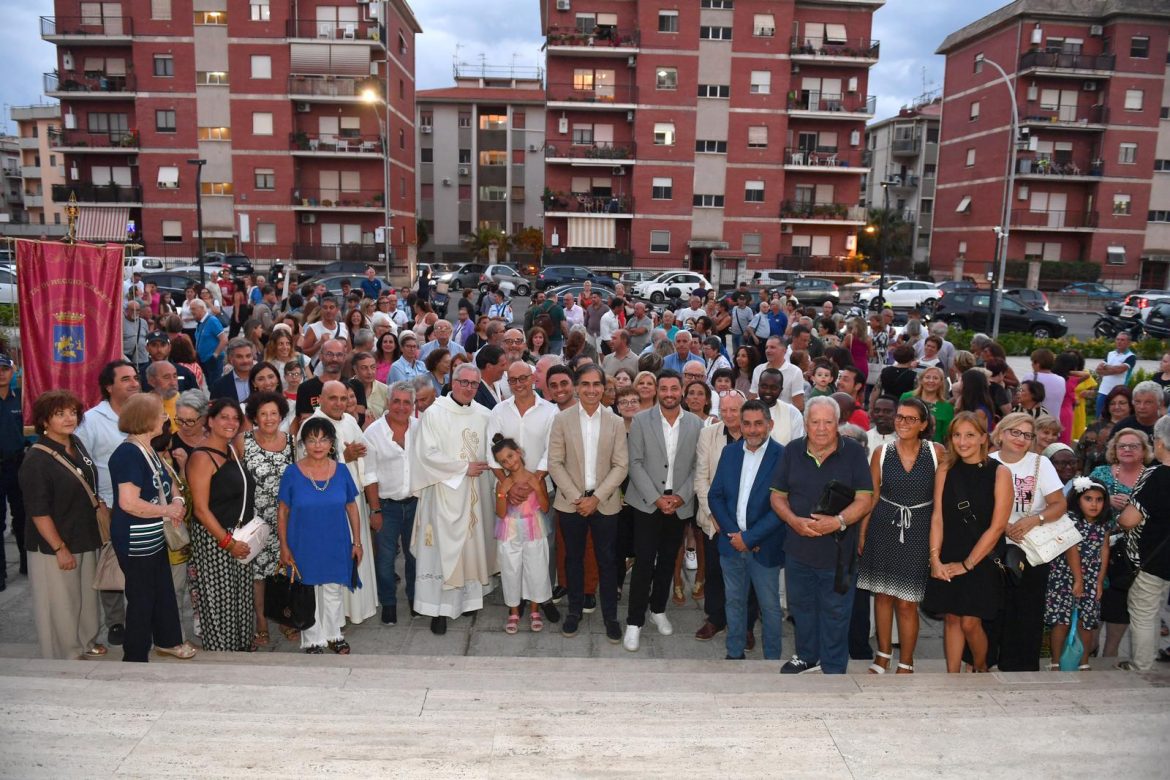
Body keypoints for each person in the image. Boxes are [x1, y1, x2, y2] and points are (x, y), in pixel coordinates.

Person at [770, 396, 874, 674]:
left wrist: (838, 522)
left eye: (828, 422)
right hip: (798, 548)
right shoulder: (792, 450)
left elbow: (865, 499)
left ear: (838, 423)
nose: (821, 428)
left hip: (838, 553)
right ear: (805, 423)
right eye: (815, 422)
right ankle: (806, 656)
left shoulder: (853, 452)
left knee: (836, 612)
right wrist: (792, 520)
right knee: (801, 607)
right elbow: (777, 497)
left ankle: (833, 666)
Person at [857, 398, 943, 674]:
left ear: (924, 424)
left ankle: (906, 661)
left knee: (907, 602)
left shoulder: (936, 452)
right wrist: (862, 532)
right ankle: (882, 655)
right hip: (883, 527)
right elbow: (872, 496)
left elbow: (941, 502)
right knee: (882, 596)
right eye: (900, 417)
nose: (903, 423)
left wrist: (938, 544)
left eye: (911, 418)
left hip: (919, 530)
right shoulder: (881, 452)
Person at [108, 393, 195, 662]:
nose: (166, 418)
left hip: (153, 535)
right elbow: (128, 503)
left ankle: (168, 641)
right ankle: (135, 655)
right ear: (146, 419)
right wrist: (167, 511)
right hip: (136, 539)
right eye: (161, 414)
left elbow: (168, 484)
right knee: (142, 596)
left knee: (162, 589)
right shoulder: (128, 454)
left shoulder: (148, 449)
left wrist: (177, 502)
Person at [923, 411, 1012, 673]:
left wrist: (967, 564)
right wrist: (935, 559)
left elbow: (997, 527)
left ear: (984, 438)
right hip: (949, 550)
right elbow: (937, 517)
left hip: (982, 555)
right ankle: (953, 677)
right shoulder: (945, 469)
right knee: (952, 618)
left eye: (970, 435)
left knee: (970, 622)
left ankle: (980, 667)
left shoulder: (1000, 473)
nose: (963, 442)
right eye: (957, 435)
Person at [18, 390, 105, 658]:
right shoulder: (36, 459)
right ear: (44, 420)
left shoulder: (76, 443)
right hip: (54, 543)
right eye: (59, 414)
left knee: (86, 598)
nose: (69, 418)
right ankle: (65, 653)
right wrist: (59, 548)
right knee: (60, 603)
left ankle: (86, 641)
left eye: (73, 412)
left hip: (84, 535)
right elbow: (38, 511)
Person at [410, 363, 495, 635]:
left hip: (474, 496)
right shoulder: (435, 413)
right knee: (441, 552)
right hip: (442, 495)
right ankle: (439, 610)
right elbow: (426, 454)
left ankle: (468, 600)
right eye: (463, 382)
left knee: (470, 547)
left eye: (474, 384)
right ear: (452, 382)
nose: (469, 388)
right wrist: (462, 468)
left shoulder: (484, 414)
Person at [547, 364, 629, 642]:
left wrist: (596, 498)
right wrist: (577, 498)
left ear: (604, 388)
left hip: (604, 503)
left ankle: (610, 617)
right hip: (571, 503)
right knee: (573, 559)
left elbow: (621, 465)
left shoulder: (615, 421)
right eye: (585, 384)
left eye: (597, 384)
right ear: (576, 387)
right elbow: (555, 462)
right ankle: (574, 612)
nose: (591, 390)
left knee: (607, 561)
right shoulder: (562, 420)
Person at [623, 370, 703, 652]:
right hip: (647, 502)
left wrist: (680, 497)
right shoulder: (641, 420)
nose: (669, 394)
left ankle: (658, 609)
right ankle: (634, 621)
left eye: (674, 388)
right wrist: (657, 499)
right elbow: (634, 462)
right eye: (664, 389)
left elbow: (698, 466)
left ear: (682, 391)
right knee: (644, 561)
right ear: (657, 391)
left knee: (668, 560)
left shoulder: (696, 423)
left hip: (679, 504)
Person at [277, 417, 363, 654]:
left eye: (324, 440)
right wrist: (284, 546)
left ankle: (334, 635)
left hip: (336, 542)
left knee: (334, 590)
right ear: (303, 443)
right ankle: (312, 639)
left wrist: (357, 542)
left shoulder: (342, 471)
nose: (318, 445)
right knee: (307, 593)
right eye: (312, 440)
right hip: (303, 544)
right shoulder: (292, 473)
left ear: (332, 443)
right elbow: (282, 511)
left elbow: (352, 507)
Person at [708, 400, 786, 662]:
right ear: (740, 426)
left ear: (769, 425)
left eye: (758, 424)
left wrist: (751, 538)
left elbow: (782, 506)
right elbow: (715, 495)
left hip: (765, 546)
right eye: (747, 424)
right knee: (734, 602)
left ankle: (772, 660)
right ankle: (734, 653)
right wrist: (735, 536)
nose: (752, 430)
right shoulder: (730, 453)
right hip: (731, 545)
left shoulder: (783, 456)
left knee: (770, 607)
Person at [990, 412, 1068, 671]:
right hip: (993, 546)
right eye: (1015, 432)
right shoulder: (987, 462)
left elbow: (1059, 504)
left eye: (1027, 434)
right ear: (1001, 433)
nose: (1020, 438)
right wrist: (1004, 526)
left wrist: (1036, 519)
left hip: (1032, 547)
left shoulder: (1040, 464)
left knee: (1028, 610)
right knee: (994, 608)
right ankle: (987, 663)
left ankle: (1023, 668)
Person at [485, 360, 560, 622]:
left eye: (523, 378)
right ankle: (515, 602)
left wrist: (531, 482)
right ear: (508, 382)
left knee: (542, 548)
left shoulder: (550, 411)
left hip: (540, 488)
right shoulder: (499, 411)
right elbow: (491, 453)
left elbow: (552, 450)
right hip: (508, 492)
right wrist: (508, 485)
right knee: (512, 551)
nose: (518, 384)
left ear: (533, 379)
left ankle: (542, 599)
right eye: (513, 380)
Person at [301, 381, 378, 624]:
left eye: (343, 398)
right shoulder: (311, 426)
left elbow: (366, 456)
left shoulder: (350, 421)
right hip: (326, 507)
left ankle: (355, 609)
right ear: (320, 399)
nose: (339, 403)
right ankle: (333, 619)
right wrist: (345, 457)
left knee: (355, 549)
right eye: (333, 398)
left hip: (352, 499)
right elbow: (306, 467)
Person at [77, 360, 141, 647]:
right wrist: (97, 501)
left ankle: (141, 615)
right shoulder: (91, 420)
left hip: (143, 504)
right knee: (111, 563)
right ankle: (116, 621)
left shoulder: (142, 412)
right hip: (110, 504)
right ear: (108, 387)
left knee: (140, 565)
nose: (134, 383)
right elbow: (82, 465)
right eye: (126, 379)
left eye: (135, 377)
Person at [186, 397, 257, 652]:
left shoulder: (232, 450)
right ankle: (222, 655)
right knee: (220, 601)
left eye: (236, 418)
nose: (231, 422)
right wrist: (228, 543)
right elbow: (201, 509)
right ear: (210, 421)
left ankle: (240, 650)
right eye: (224, 417)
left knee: (240, 599)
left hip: (239, 536)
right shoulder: (202, 457)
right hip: (215, 539)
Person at [1090, 427, 1152, 659]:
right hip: (1097, 547)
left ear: (1144, 450)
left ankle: (1111, 656)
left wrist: (1132, 508)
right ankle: (1089, 652)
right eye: (1122, 446)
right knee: (1095, 602)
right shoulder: (1100, 472)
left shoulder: (1152, 476)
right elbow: (1081, 504)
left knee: (1120, 604)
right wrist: (1106, 503)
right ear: (1114, 450)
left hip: (1134, 553)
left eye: (1133, 446)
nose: (1127, 450)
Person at [240, 391, 294, 646]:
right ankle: (261, 622)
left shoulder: (292, 442)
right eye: (263, 414)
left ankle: (285, 617)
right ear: (254, 417)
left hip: (287, 518)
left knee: (284, 570)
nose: (269, 418)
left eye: (274, 413)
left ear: (281, 415)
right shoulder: (243, 441)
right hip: (255, 521)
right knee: (258, 575)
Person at [362, 382, 418, 625]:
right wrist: (375, 510)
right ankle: (388, 603)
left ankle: (415, 599)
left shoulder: (420, 428)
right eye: (396, 401)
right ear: (388, 402)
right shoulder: (373, 433)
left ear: (413, 405)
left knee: (415, 556)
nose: (401, 407)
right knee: (385, 559)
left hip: (416, 503)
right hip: (386, 506)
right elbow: (369, 475)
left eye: (407, 402)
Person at [1116, 416, 1170, 670]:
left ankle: (1142, 667)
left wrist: (1119, 516)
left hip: (1153, 558)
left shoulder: (1156, 475)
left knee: (1145, 612)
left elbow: (1129, 520)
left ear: (1159, 442)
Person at [1045, 477, 1110, 671]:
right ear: (1077, 500)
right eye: (1088, 499)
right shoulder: (1070, 519)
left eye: (1099, 500)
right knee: (1061, 621)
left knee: (1086, 621)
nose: (1094, 504)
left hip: (1091, 578)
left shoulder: (1104, 523)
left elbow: (1104, 549)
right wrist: (1078, 580)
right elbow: (1070, 548)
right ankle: (1055, 661)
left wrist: (1099, 581)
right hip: (1064, 576)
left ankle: (1084, 662)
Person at [491, 434, 552, 634]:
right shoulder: (503, 484)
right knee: (511, 569)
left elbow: (545, 507)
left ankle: (534, 610)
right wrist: (502, 492)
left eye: (510, 456)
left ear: (519, 452)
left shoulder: (536, 478)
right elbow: (500, 513)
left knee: (536, 567)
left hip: (534, 528)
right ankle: (514, 611)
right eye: (503, 461)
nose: (509, 462)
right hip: (510, 530)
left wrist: (537, 488)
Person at [0, 354, 28, 588]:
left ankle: (27, 564)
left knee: (23, 516)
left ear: (12, 371)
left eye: (5, 368)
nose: (1, 373)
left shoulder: (22, 398)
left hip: (18, 464)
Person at [749, 336, 805, 411]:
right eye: (766, 347)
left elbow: (798, 405)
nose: (768, 350)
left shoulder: (795, 372)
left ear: (784, 350)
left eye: (772, 347)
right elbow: (753, 398)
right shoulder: (758, 370)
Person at [755, 368, 804, 446]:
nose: (768, 391)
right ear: (758, 386)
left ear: (781, 390)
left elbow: (797, 446)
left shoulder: (793, 413)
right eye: (764, 386)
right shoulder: (745, 409)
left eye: (773, 388)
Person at [904, 366, 953, 444]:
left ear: (941, 382)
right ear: (921, 380)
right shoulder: (906, 397)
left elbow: (947, 436)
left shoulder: (947, 407)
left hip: (933, 447)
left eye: (935, 378)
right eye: (927, 377)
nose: (931, 381)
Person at [1095, 332, 1136, 418]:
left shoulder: (1131, 357)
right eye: (1117, 339)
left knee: (1115, 417)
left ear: (1128, 342)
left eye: (1122, 340)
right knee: (1099, 417)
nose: (1119, 342)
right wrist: (1113, 370)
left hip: (1118, 392)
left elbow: (1119, 370)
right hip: (1103, 391)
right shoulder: (1110, 354)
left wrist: (1106, 368)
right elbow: (1098, 370)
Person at [190, 299, 228, 381]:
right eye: (190, 309)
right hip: (204, 360)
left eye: (193, 309)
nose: (191, 311)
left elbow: (224, 339)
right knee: (210, 384)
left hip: (213, 360)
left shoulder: (212, 320)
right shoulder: (200, 323)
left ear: (201, 308)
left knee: (215, 384)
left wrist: (215, 355)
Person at [209, 338, 256, 403]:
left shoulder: (261, 379)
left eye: (248, 356)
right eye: (239, 357)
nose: (245, 361)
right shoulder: (219, 386)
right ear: (230, 359)